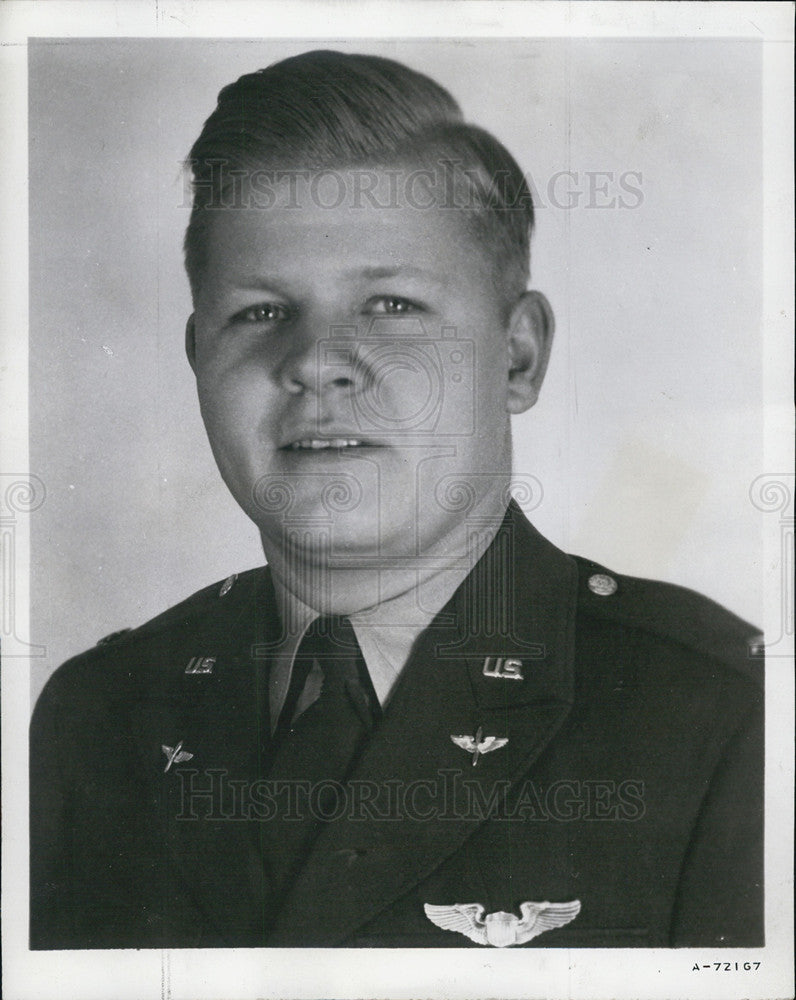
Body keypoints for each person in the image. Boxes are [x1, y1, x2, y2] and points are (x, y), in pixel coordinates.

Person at [30, 49, 763, 950]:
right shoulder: (97, 717)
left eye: (390, 305)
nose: (314, 361)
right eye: (260, 312)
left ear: (518, 356)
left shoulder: (721, 718)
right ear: (197, 358)